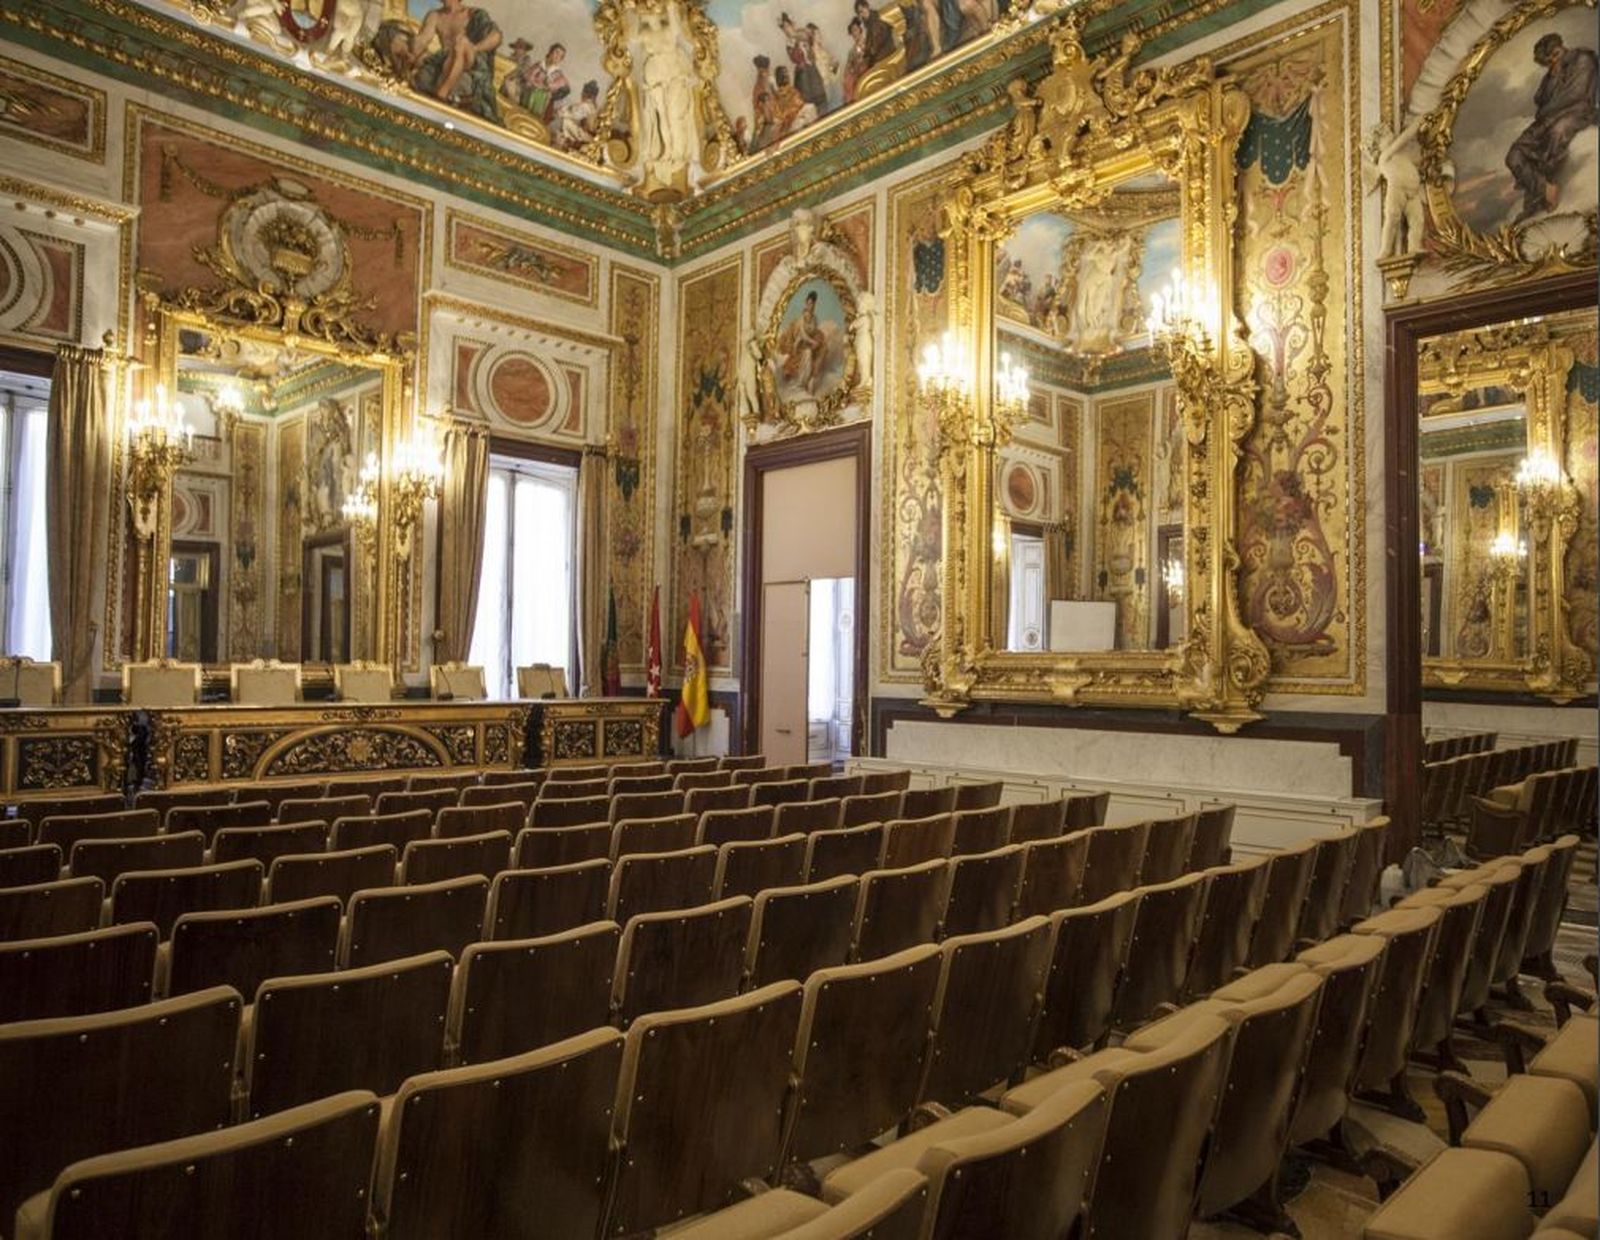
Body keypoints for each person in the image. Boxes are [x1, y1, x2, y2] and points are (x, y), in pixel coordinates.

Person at [1505, 32, 1599, 223]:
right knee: (1514, 154)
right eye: (1548, 62)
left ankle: (1540, 197)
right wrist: (1553, 77)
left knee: (1558, 132)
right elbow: (1539, 99)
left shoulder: (1583, 59)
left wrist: (1545, 111)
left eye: (1554, 55)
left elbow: (1576, 95)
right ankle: (1545, 189)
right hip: (1547, 121)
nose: (1553, 62)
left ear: (1560, 48)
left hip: (1578, 113)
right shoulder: (1551, 73)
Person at [409, 0, 503, 124]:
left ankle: (442, 93)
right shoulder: (435, 15)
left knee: (461, 43)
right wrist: (412, 52)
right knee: (425, 62)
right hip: (445, 59)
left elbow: (496, 37)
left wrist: (474, 48)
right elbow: (423, 40)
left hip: (471, 60)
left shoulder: (473, 14)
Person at [779, 289, 828, 395]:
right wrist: (812, 342)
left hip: (809, 344)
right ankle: (801, 382)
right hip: (800, 344)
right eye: (809, 303)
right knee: (808, 353)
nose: (810, 306)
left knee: (821, 350)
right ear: (806, 303)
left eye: (812, 304)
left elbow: (814, 332)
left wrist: (816, 342)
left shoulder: (814, 318)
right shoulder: (803, 316)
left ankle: (809, 381)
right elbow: (803, 334)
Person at [780, 12, 828, 115]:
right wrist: (796, 45)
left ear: (792, 25)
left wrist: (796, 37)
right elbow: (794, 58)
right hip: (801, 74)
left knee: (819, 98)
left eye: (787, 26)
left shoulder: (801, 33)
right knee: (805, 102)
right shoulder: (789, 43)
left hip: (811, 70)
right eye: (784, 28)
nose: (786, 30)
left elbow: (809, 38)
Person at [554, 79, 601, 149]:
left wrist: (562, 112)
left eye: (584, 93)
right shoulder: (592, 106)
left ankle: (568, 141)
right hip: (587, 134)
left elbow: (574, 115)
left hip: (588, 137)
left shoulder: (588, 106)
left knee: (567, 121)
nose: (582, 95)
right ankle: (567, 140)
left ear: (587, 94)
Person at [855, 0, 896, 66]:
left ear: (867, 7)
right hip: (879, 53)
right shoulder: (868, 25)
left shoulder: (876, 19)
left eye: (862, 11)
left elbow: (880, 38)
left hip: (886, 51)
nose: (862, 15)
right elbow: (870, 43)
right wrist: (865, 53)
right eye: (859, 13)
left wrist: (869, 51)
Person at [749, 54, 777, 151]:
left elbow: (775, 95)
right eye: (759, 70)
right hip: (762, 113)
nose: (760, 72)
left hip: (771, 110)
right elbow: (756, 100)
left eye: (762, 70)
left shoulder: (770, 79)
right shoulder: (758, 83)